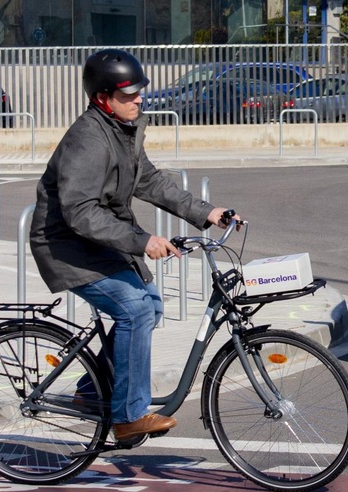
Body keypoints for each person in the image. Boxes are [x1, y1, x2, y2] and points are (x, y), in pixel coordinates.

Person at [30, 49, 237, 442]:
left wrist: (209, 213)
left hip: (97, 239)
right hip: (65, 245)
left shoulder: (123, 130)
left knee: (151, 304)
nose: (139, 99)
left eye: (140, 91)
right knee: (135, 310)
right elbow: (79, 211)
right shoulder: (88, 139)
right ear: (103, 97)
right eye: (128, 94)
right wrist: (142, 241)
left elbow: (151, 181)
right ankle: (127, 417)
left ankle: (93, 391)